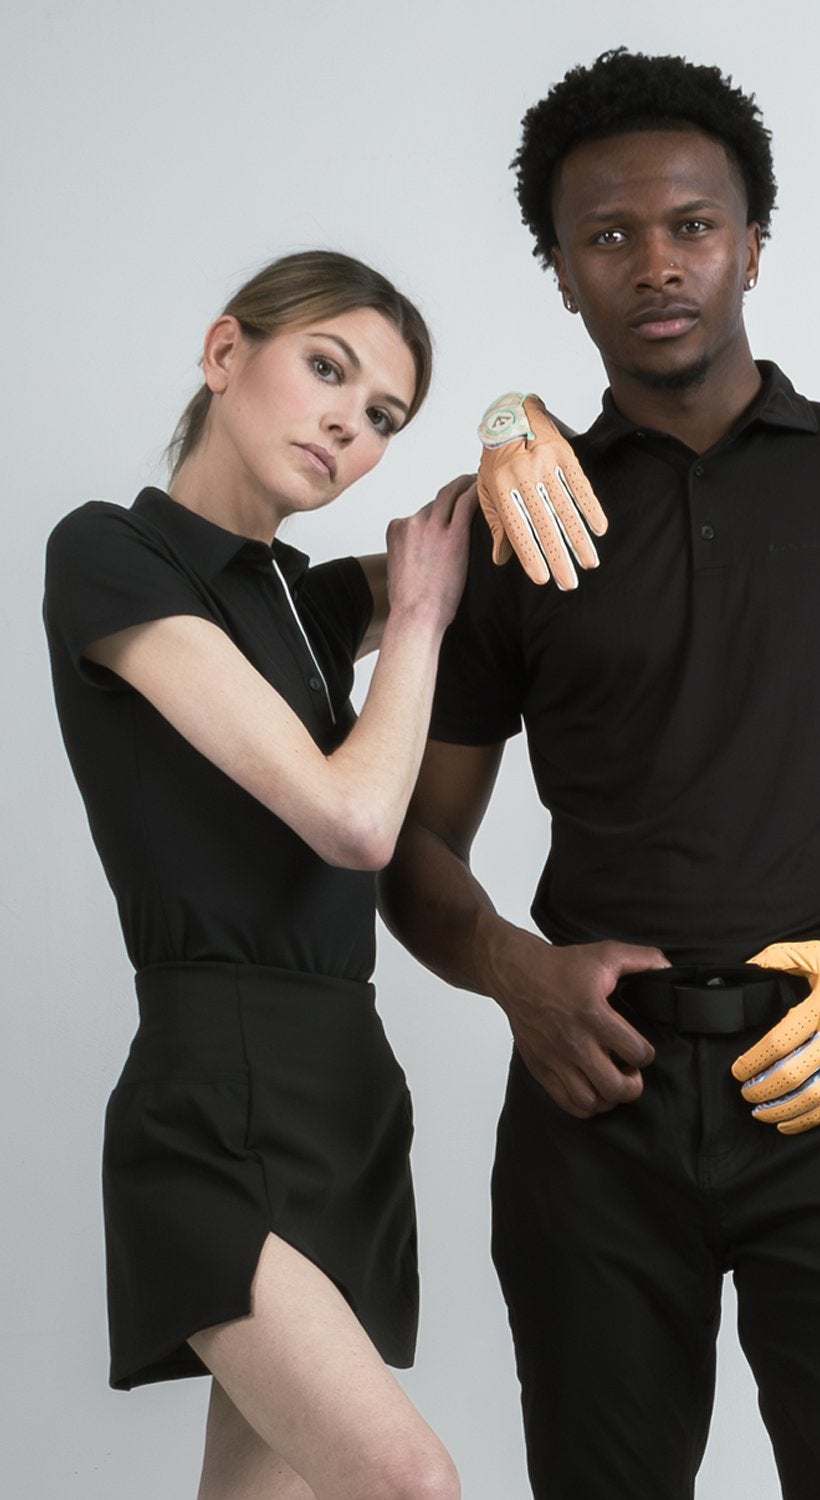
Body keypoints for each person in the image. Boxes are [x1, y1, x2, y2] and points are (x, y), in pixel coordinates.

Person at [377, 48, 820, 1500]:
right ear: (558, 270)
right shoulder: (520, 522)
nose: (656, 266)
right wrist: (511, 973)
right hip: (593, 1105)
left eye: (691, 227)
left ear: (751, 242)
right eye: (607, 236)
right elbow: (410, 848)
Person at [43, 250, 576, 1499]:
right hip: (210, 1096)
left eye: (385, 415)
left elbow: (493, 517)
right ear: (226, 354)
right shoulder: (112, 554)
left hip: (344, 1097)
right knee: (409, 1480)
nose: (350, 422)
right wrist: (426, 626)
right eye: (326, 369)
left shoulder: (307, 600)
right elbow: (351, 819)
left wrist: (513, 424)